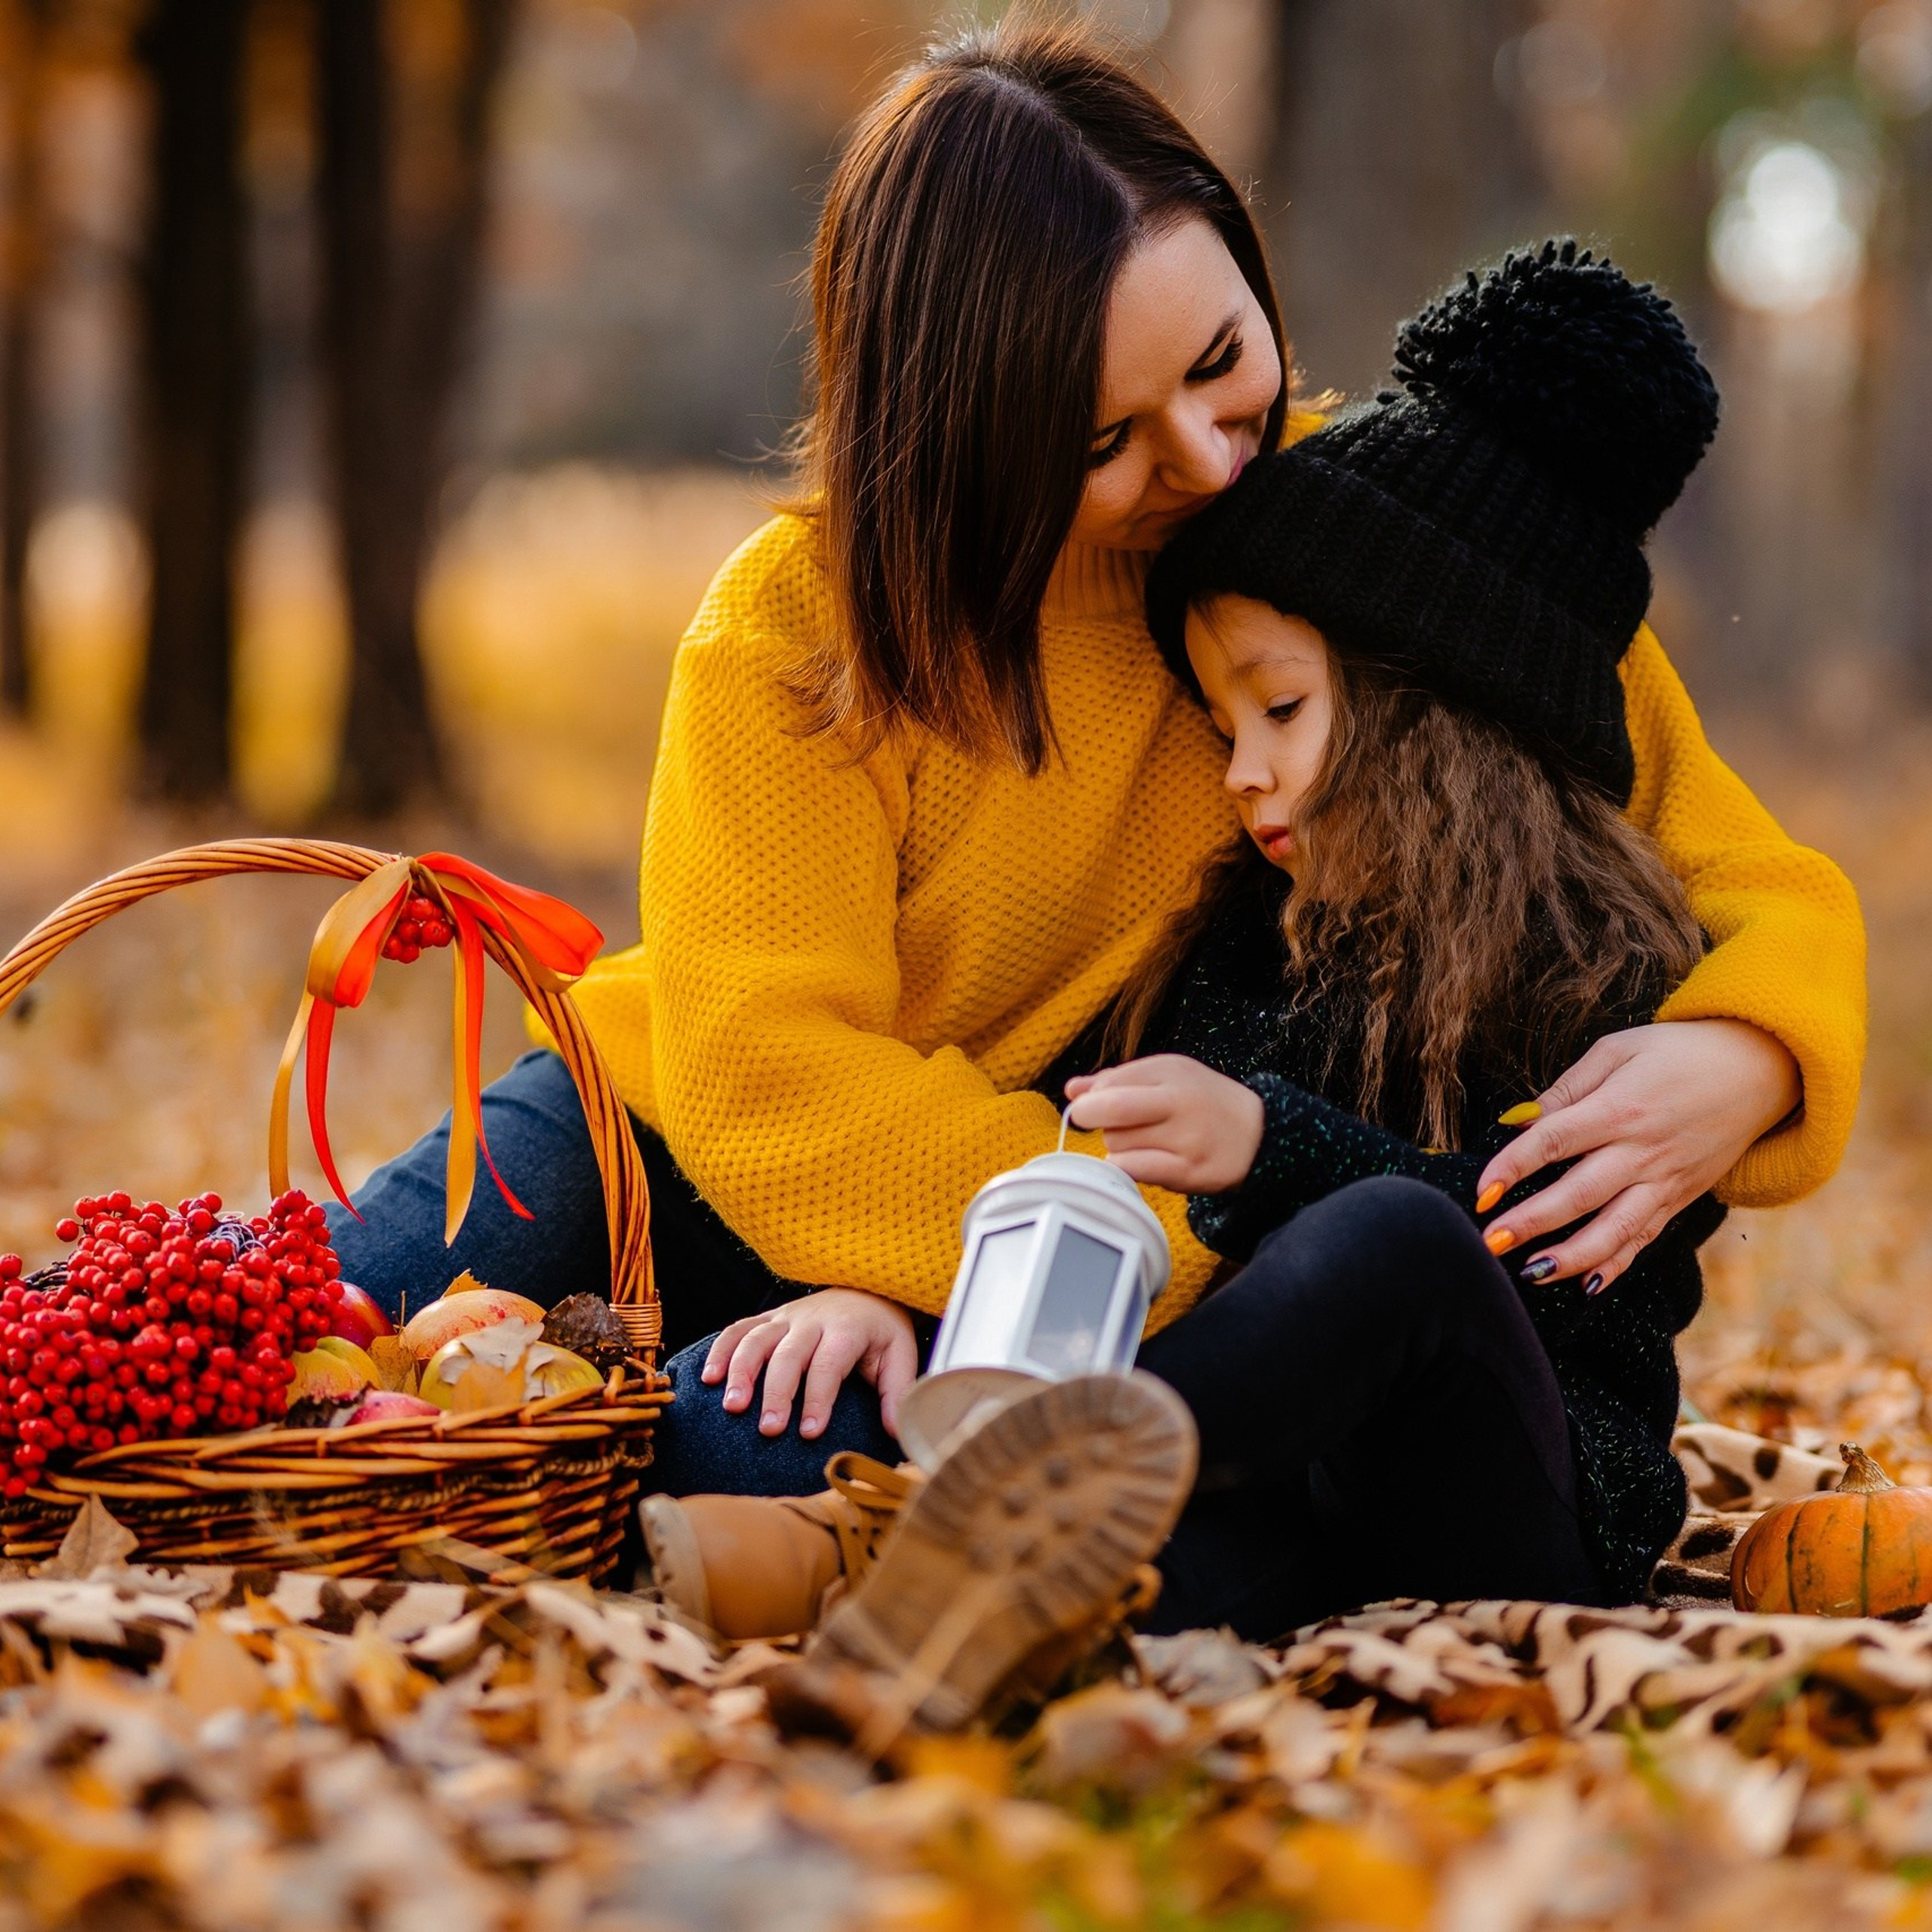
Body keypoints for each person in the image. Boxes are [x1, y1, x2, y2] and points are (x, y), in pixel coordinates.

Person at [328, 24, 1863, 1517]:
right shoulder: (798, 632)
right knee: (284, 1333)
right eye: (1101, 440)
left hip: (1059, 1247)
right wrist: (1181, 1221)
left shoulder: (1370, 537)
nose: (1204, 456)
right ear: (959, 434)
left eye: (1221, 361)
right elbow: (766, 1076)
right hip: (695, 1152)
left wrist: (1750, 1055)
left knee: (754, 1460)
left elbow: (1744, 869)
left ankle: (663, 1462)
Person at [645, 241, 1808, 1657]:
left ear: (1437, 705)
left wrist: (1271, 1152)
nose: (1241, 770)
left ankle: (934, 1528)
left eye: (1281, 711)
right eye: (1221, 725)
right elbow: (1101, 1172)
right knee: (803, 1432)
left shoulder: (1599, 969)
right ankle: (945, 1610)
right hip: (1290, 1505)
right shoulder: (1245, 940)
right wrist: (892, 1293)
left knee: (1399, 1242)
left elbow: (1536, 1267)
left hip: (1517, 1500)